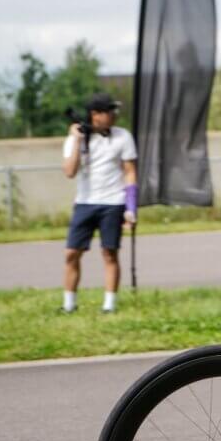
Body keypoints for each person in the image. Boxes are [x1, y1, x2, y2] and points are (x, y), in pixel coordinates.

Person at [61, 93, 139, 313]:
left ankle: (109, 305)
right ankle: (69, 304)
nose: (114, 115)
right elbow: (69, 171)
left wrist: (130, 208)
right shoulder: (76, 138)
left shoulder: (122, 136)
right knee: (71, 253)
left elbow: (130, 172)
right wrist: (77, 140)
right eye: (109, 111)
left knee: (109, 252)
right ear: (95, 114)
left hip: (113, 202)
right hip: (85, 202)